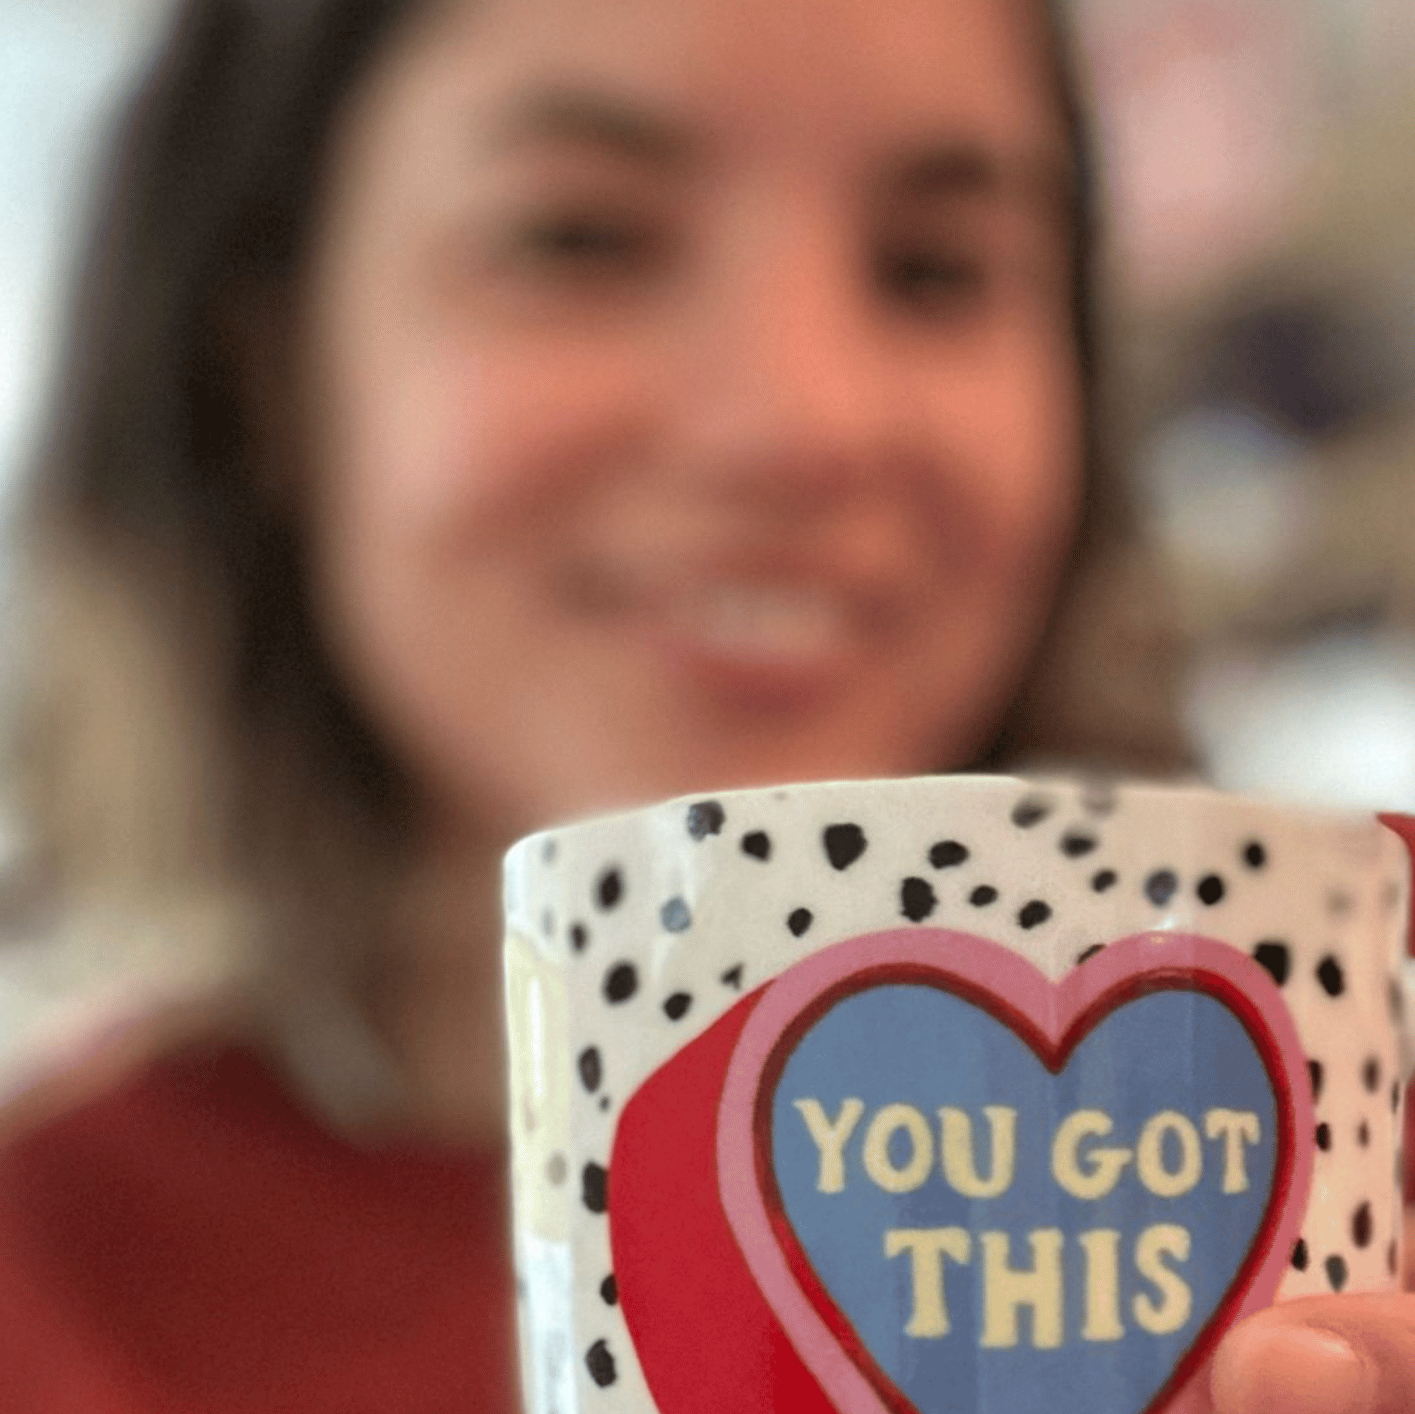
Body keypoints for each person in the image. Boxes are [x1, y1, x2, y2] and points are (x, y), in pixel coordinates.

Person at [0, 0, 1403, 1410]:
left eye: (933, 269)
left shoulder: (1355, 1174)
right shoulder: (40, 1279)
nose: (802, 420)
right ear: (265, 366)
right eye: (581, 238)